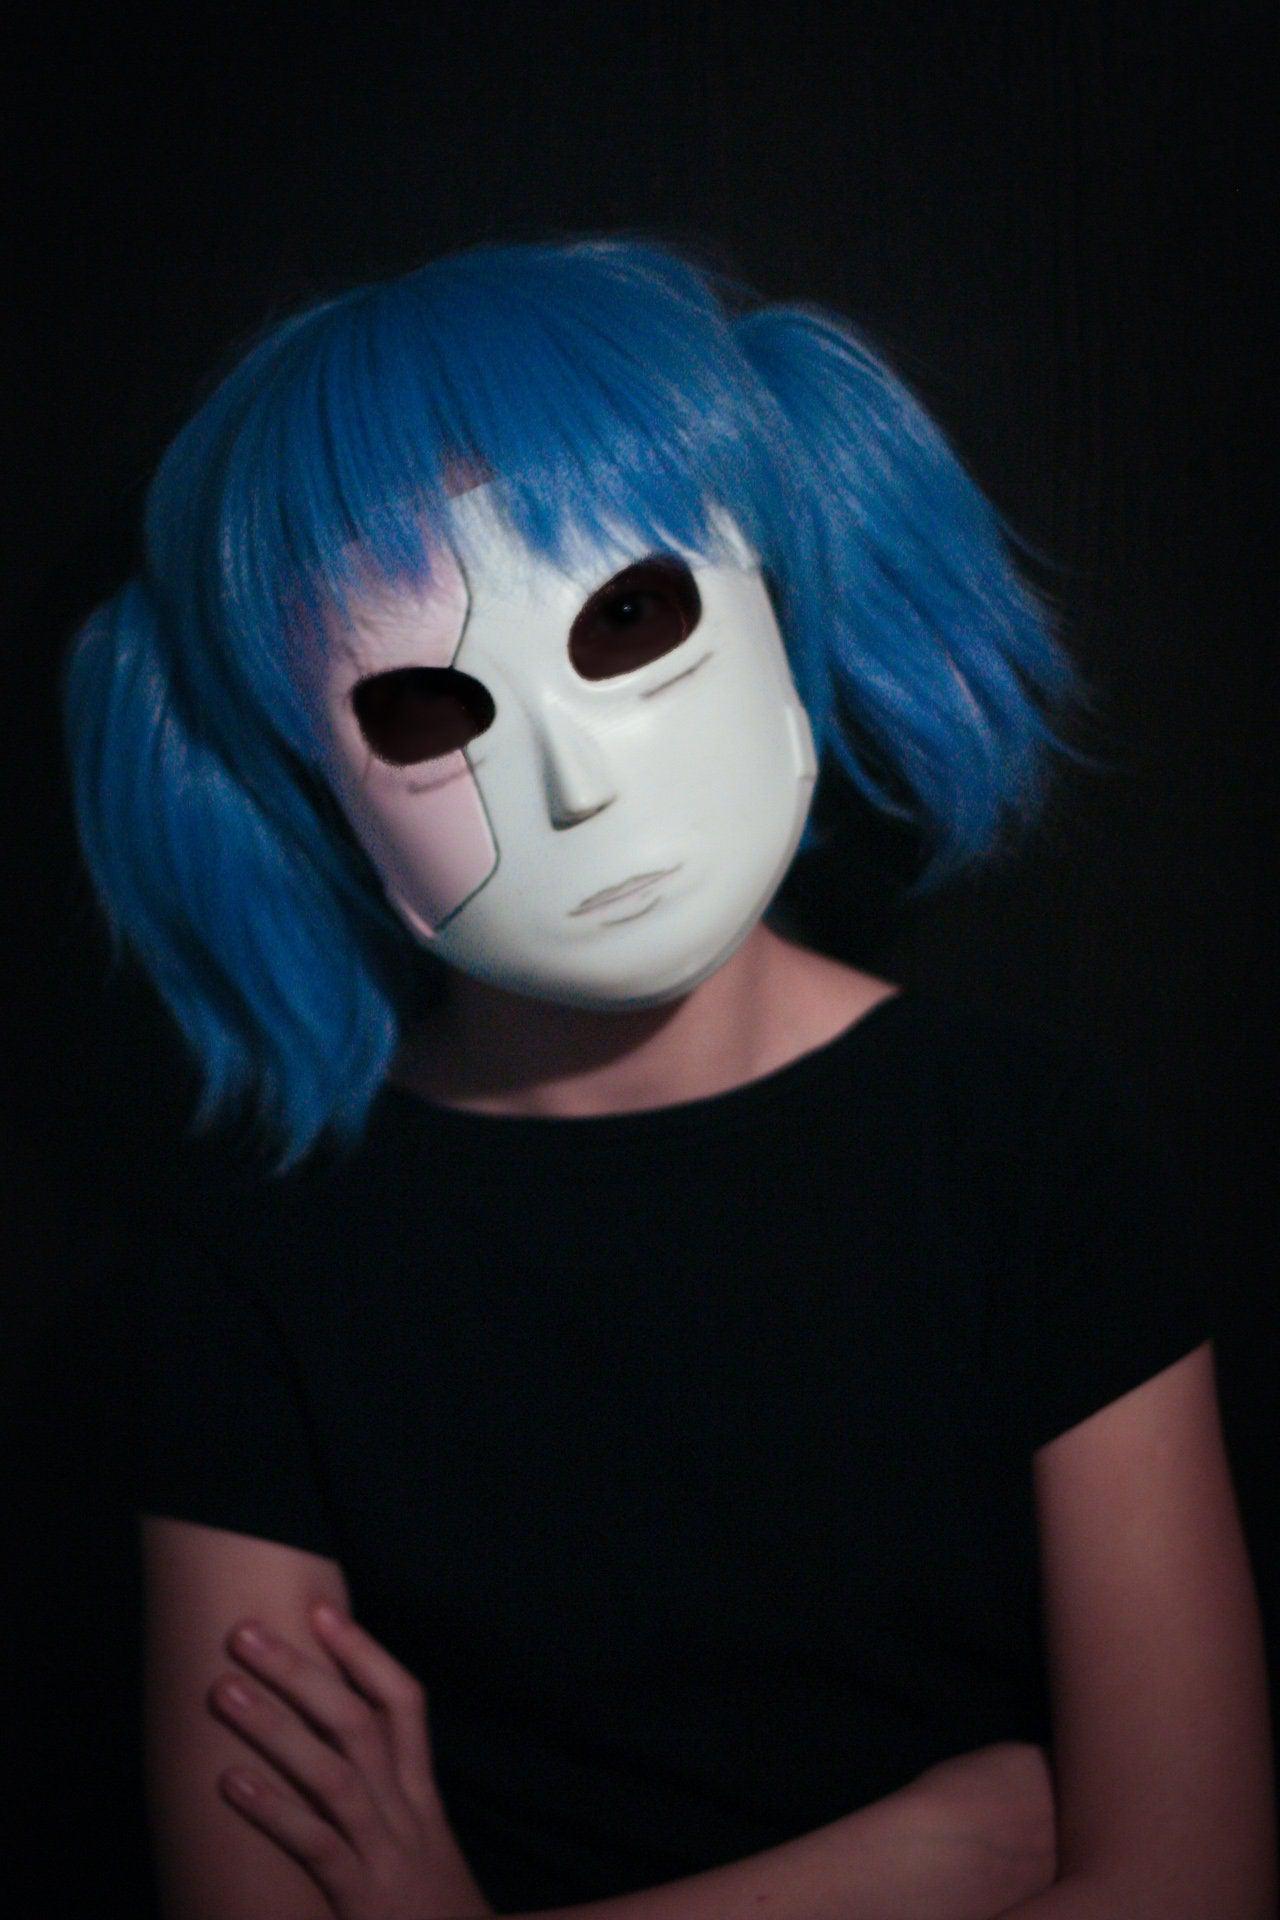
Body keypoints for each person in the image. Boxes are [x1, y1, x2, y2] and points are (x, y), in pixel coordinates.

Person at [61, 233, 1273, 1919]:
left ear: (784, 582)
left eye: (630, 617)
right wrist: (918, 1863)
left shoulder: (1019, 1149)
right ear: (300, 782)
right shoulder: (253, 1271)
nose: (575, 783)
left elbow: (1196, 1883)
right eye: (428, 708)